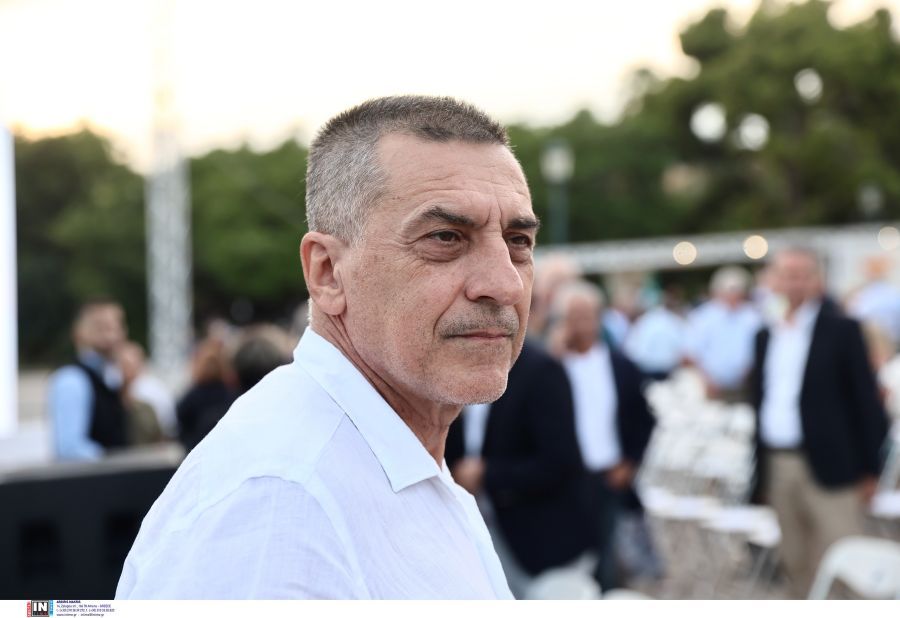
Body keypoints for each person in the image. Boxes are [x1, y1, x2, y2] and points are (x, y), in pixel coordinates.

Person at [117, 95, 538, 599]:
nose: (505, 283)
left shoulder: (372, 461)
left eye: (518, 241)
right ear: (327, 272)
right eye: (446, 237)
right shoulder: (281, 503)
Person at [749, 247, 890, 598]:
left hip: (833, 464)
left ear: (817, 280)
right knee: (794, 558)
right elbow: (761, 398)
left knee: (842, 556)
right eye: (787, 275)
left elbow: (866, 402)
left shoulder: (842, 330)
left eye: (802, 275)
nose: (794, 283)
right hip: (778, 460)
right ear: (774, 281)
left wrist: (870, 469)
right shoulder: (766, 333)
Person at [445, 339, 590, 597]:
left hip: (541, 540)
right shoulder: (454, 366)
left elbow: (559, 462)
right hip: (478, 535)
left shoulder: (541, 370)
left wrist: (486, 474)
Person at [553, 280, 656, 591]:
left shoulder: (621, 365)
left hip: (610, 474)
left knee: (608, 560)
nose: (582, 324)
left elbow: (644, 420)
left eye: (587, 315)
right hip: (566, 478)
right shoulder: (553, 367)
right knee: (569, 557)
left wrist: (630, 462)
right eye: (574, 317)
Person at [47, 299, 129, 460]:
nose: (113, 335)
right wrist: (111, 461)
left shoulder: (111, 377)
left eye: (118, 326)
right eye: (102, 327)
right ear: (79, 332)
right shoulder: (71, 379)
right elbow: (69, 449)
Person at [684, 266, 761, 402]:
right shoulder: (702, 317)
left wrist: (750, 374)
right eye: (729, 290)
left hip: (747, 386)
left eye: (737, 290)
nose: (733, 295)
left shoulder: (753, 316)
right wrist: (706, 380)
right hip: (710, 387)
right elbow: (690, 354)